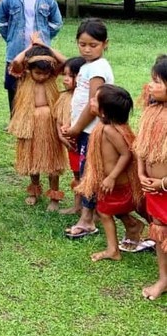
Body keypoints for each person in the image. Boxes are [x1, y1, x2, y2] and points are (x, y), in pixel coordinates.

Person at [78, 84, 145, 262]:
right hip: (111, 182)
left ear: (104, 112)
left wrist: (111, 177)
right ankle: (133, 226)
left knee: (104, 213)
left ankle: (113, 250)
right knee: (112, 210)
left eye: (95, 99)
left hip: (117, 183)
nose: (91, 101)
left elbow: (126, 154)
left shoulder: (110, 130)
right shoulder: (105, 126)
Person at [62, 18, 114, 239]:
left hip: (93, 131)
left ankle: (87, 219)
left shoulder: (98, 69)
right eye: (82, 44)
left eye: (93, 45)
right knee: (86, 172)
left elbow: (94, 104)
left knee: (89, 174)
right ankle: (90, 215)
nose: (87, 49)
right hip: (85, 130)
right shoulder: (87, 66)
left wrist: (76, 128)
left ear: (105, 44)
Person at [0, 0, 63, 114]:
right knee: (14, 92)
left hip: (41, 55)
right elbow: (1, 22)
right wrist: (12, 38)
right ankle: (16, 121)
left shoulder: (48, 0)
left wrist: (43, 39)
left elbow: (57, 23)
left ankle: (39, 120)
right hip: (16, 53)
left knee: (41, 91)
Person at [8, 43, 67, 210]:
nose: (42, 77)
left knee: (53, 161)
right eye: (38, 73)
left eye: (45, 73)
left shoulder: (52, 76)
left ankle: (54, 196)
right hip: (30, 124)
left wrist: (45, 47)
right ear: (29, 68)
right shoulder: (24, 77)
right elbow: (16, 61)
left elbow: (65, 62)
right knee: (32, 158)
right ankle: (34, 191)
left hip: (49, 124)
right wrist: (30, 49)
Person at [134, 55, 167, 300]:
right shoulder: (151, 112)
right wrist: (140, 172)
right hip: (153, 188)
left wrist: (163, 183)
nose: (150, 86)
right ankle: (164, 278)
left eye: (157, 81)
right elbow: (141, 147)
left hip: (162, 185)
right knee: (159, 231)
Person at [54, 56, 86, 214]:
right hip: (70, 143)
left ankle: (93, 210)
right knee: (76, 173)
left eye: (71, 76)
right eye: (64, 75)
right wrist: (60, 135)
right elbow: (58, 118)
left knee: (86, 174)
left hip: (83, 141)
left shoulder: (84, 98)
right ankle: (77, 205)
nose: (66, 79)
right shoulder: (63, 97)